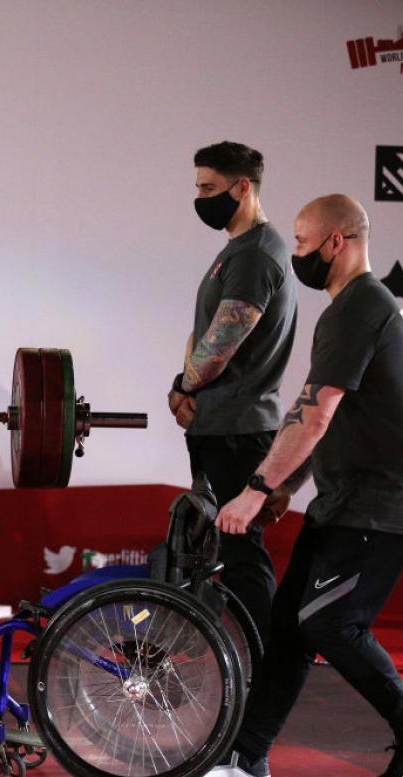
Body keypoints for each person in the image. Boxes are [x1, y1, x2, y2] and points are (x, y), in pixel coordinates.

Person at [205, 195, 403, 777]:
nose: (294, 253)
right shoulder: (352, 309)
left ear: (335, 242)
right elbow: (327, 414)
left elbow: (317, 413)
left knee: (330, 622)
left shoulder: (360, 307)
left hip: (383, 505)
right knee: (291, 629)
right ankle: (250, 758)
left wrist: (257, 488)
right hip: (345, 500)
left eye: (301, 243)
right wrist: (292, 487)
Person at [167, 141, 297, 646]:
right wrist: (182, 391)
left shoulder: (257, 255)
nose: (199, 198)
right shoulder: (236, 251)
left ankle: (265, 667)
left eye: (209, 188)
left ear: (243, 188)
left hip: (239, 429)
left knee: (243, 556)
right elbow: (204, 336)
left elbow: (221, 343)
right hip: (216, 422)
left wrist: (183, 386)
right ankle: (234, 660)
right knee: (217, 551)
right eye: (198, 187)